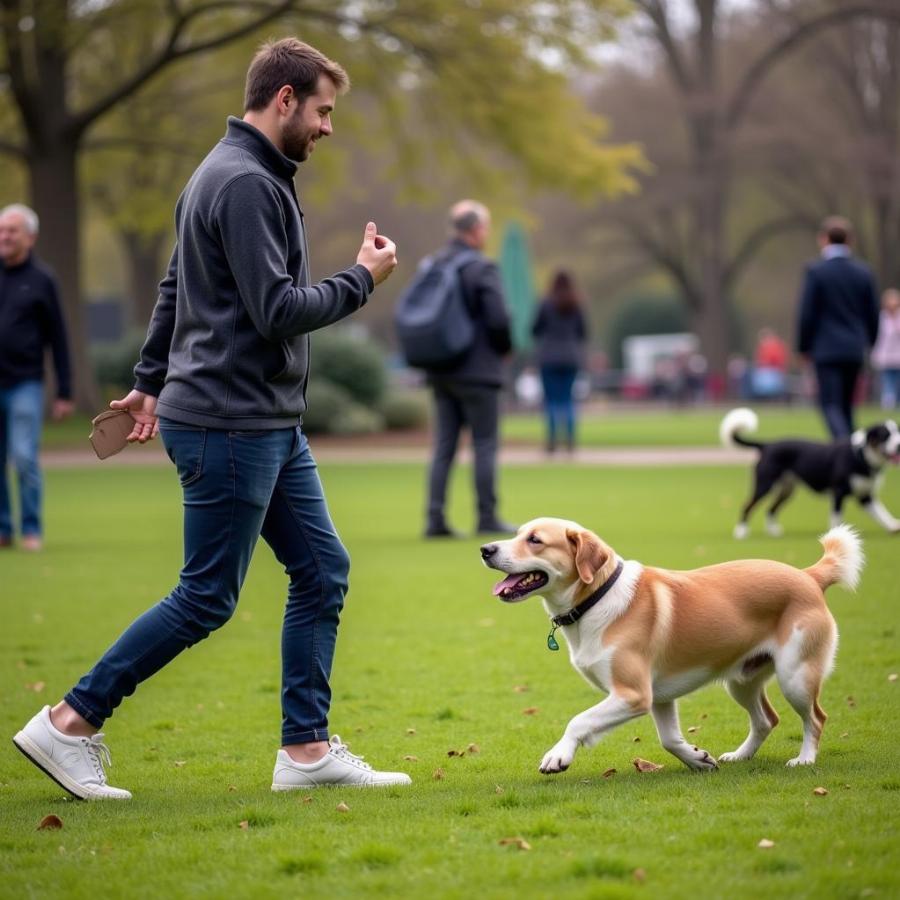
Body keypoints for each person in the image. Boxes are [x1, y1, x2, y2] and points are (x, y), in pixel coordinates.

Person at [13, 38, 411, 800]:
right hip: (233, 423)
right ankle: (69, 723)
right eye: (324, 110)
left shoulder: (229, 171)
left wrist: (147, 381)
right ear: (285, 99)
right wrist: (363, 280)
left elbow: (174, 286)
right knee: (206, 596)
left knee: (322, 570)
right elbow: (276, 312)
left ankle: (305, 750)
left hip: (262, 419)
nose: (329, 127)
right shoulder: (243, 184)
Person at [423, 200, 515, 538]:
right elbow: (499, 319)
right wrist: (505, 349)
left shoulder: (433, 264)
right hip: (479, 371)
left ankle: (435, 519)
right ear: (477, 230)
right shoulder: (480, 267)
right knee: (485, 445)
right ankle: (487, 516)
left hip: (441, 369)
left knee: (443, 447)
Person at [0, 204, 74, 552]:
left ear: (30, 237)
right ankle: (3, 529)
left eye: (12, 230)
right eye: (1, 230)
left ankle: (31, 529)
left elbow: (58, 338)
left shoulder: (43, 280)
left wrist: (65, 391)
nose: (4, 236)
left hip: (25, 383)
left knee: (24, 456)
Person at [796, 215, 880, 438]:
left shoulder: (816, 272)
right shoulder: (863, 272)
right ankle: (851, 451)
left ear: (823, 239)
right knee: (847, 405)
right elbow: (872, 314)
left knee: (830, 404)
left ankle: (844, 449)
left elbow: (807, 314)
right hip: (854, 347)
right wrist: (871, 341)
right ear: (850, 240)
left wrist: (804, 347)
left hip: (826, 348)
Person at [531, 270, 588, 454]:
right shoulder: (576, 304)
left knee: (552, 401)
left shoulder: (545, 303)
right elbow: (583, 332)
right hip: (570, 356)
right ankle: (570, 440)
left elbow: (535, 329)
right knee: (567, 400)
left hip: (549, 357)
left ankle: (552, 440)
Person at [872, 288, 900, 409]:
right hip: (885, 355)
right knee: (887, 381)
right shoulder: (881, 317)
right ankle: (888, 403)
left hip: (898, 354)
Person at [751, 327, 788, 400]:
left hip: (772, 370)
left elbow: (777, 359)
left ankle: (771, 398)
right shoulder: (763, 347)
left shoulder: (776, 346)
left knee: (770, 388)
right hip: (766, 370)